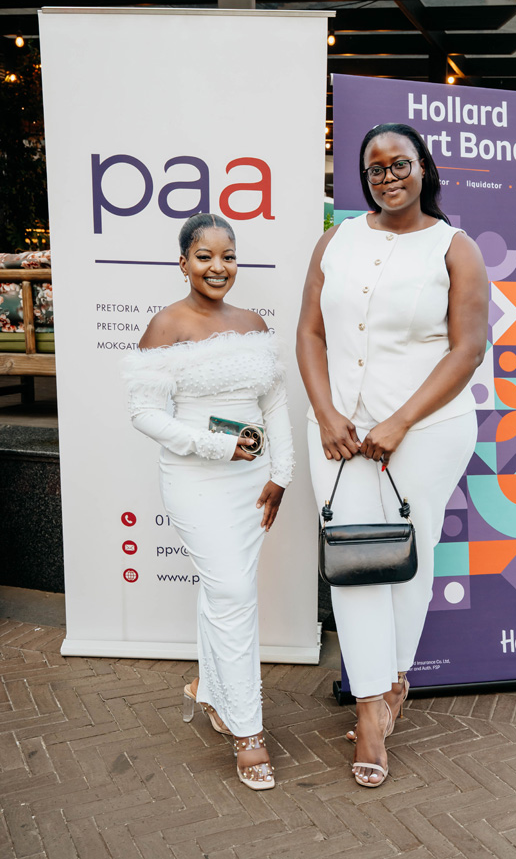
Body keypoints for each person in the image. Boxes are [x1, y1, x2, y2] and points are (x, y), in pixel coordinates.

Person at [296, 122, 488, 787]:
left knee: (408, 558)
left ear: (422, 166)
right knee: (353, 560)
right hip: (338, 433)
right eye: (374, 167)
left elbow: (467, 348)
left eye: (398, 163)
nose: (387, 176)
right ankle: (372, 702)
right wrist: (327, 413)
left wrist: (401, 421)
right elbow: (310, 332)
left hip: (427, 431)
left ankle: (389, 688)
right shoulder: (336, 240)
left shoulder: (454, 248)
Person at [122, 213, 294, 790]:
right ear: (183, 262)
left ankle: (213, 693)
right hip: (196, 479)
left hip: (253, 481)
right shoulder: (166, 324)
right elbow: (145, 414)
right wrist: (217, 446)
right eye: (205, 256)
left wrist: (282, 474)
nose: (218, 267)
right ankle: (248, 730)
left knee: (223, 591)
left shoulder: (253, 323)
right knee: (233, 592)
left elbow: (274, 405)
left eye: (228, 256)